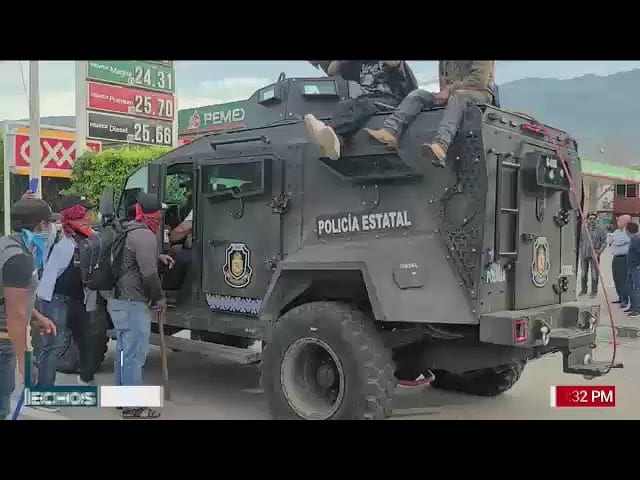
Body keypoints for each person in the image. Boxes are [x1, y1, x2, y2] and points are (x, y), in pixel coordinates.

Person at [366, 61, 496, 168]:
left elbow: (479, 81)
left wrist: (449, 91)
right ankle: (390, 131)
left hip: (480, 94)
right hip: (453, 95)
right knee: (418, 95)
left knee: (458, 97)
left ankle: (441, 146)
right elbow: (444, 82)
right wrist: (443, 95)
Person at [108, 193, 170, 419]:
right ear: (155, 214)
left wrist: (158, 256)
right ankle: (134, 407)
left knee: (124, 353)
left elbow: (132, 260)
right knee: (135, 355)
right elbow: (149, 274)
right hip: (133, 303)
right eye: (160, 214)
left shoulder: (128, 229)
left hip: (118, 301)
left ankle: (122, 400)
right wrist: (159, 298)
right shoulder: (144, 235)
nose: (160, 218)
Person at [0, 197, 57, 420]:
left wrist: (36, 316)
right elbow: (15, 314)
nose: (51, 229)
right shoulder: (19, 258)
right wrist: (25, 363)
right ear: (41, 225)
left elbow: (13, 298)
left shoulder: (7, 245)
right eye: (49, 224)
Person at [303, 61, 415, 160]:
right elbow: (332, 71)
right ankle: (336, 142)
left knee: (364, 104)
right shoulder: (360, 64)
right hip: (368, 98)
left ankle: (334, 132)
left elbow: (394, 63)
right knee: (344, 105)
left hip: (392, 98)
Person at [579, 213, 607, 297]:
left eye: (593, 219)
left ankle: (594, 291)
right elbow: (580, 240)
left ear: (596, 220)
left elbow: (604, 242)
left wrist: (599, 251)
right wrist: (581, 250)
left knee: (594, 274)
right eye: (590, 218)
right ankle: (584, 290)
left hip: (594, 255)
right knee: (583, 273)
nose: (592, 220)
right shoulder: (583, 229)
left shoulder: (600, 229)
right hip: (584, 255)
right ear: (587, 219)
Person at [608, 214, 631, 307]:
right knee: (616, 278)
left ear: (625, 222)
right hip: (616, 258)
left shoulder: (629, 232)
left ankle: (625, 300)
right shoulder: (616, 231)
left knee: (623, 279)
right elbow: (608, 241)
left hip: (624, 258)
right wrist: (611, 238)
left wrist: (613, 238)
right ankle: (620, 297)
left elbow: (619, 242)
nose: (617, 222)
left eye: (619, 220)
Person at [625, 222, 640, 318]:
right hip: (631, 267)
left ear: (627, 230)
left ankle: (637, 309)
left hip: (636, 267)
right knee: (629, 286)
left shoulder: (636, 240)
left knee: (637, 288)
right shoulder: (633, 239)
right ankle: (632, 306)